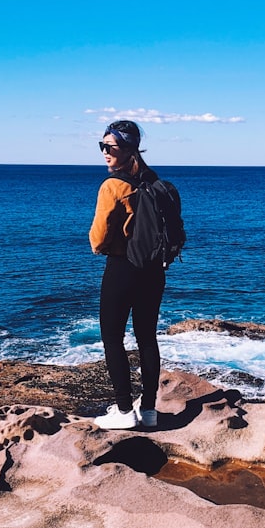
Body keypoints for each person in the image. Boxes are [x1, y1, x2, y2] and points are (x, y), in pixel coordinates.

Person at [89, 120, 165, 430]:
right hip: (153, 271)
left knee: (112, 337)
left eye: (110, 147)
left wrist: (102, 246)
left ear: (128, 149)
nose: (105, 152)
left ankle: (123, 411)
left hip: (122, 268)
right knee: (147, 337)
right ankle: (148, 410)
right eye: (102, 146)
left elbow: (99, 237)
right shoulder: (156, 183)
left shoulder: (113, 186)